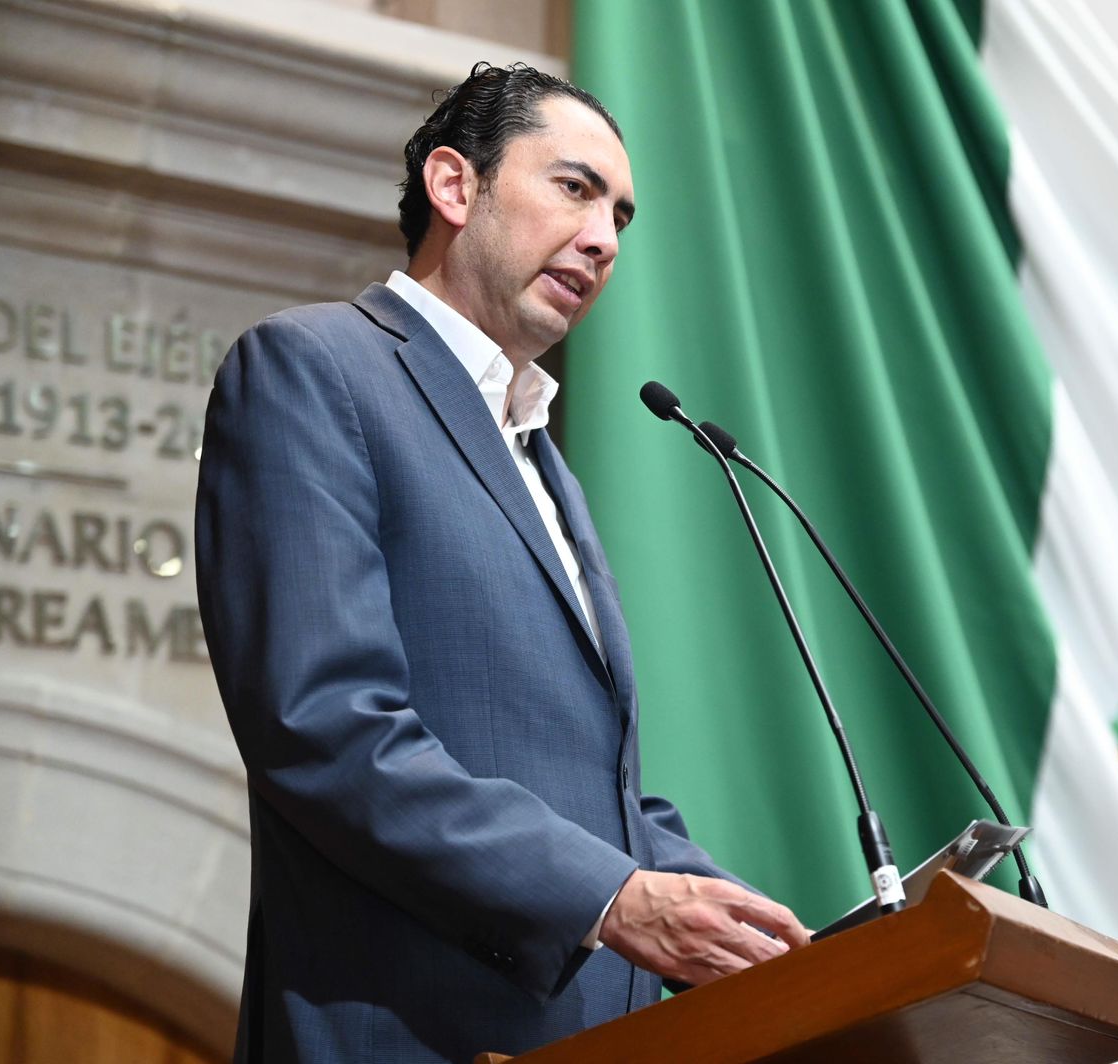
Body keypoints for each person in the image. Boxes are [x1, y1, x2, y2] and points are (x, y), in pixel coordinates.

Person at [195, 62, 808, 1063]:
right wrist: (611, 898)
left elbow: (598, 793)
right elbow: (327, 725)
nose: (605, 238)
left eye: (620, 216)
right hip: (409, 1034)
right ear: (454, 184)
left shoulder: (539, 456)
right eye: (574, 188)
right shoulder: (315, 369)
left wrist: (780, 946)